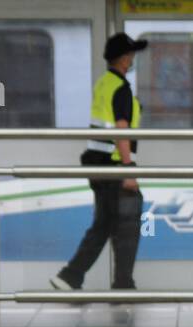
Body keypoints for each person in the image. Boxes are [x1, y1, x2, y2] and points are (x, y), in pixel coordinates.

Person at [52, 32, 148, 292]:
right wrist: (129, 171)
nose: (132, 60)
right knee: (126, 225)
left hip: (99, 166)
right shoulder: (121, 89)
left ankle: (73, 276)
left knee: (106, 223)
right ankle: (120, 285)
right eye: (131, 55)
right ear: (124, 58)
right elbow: (121, 130)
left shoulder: (104, 83)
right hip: (115, 167)